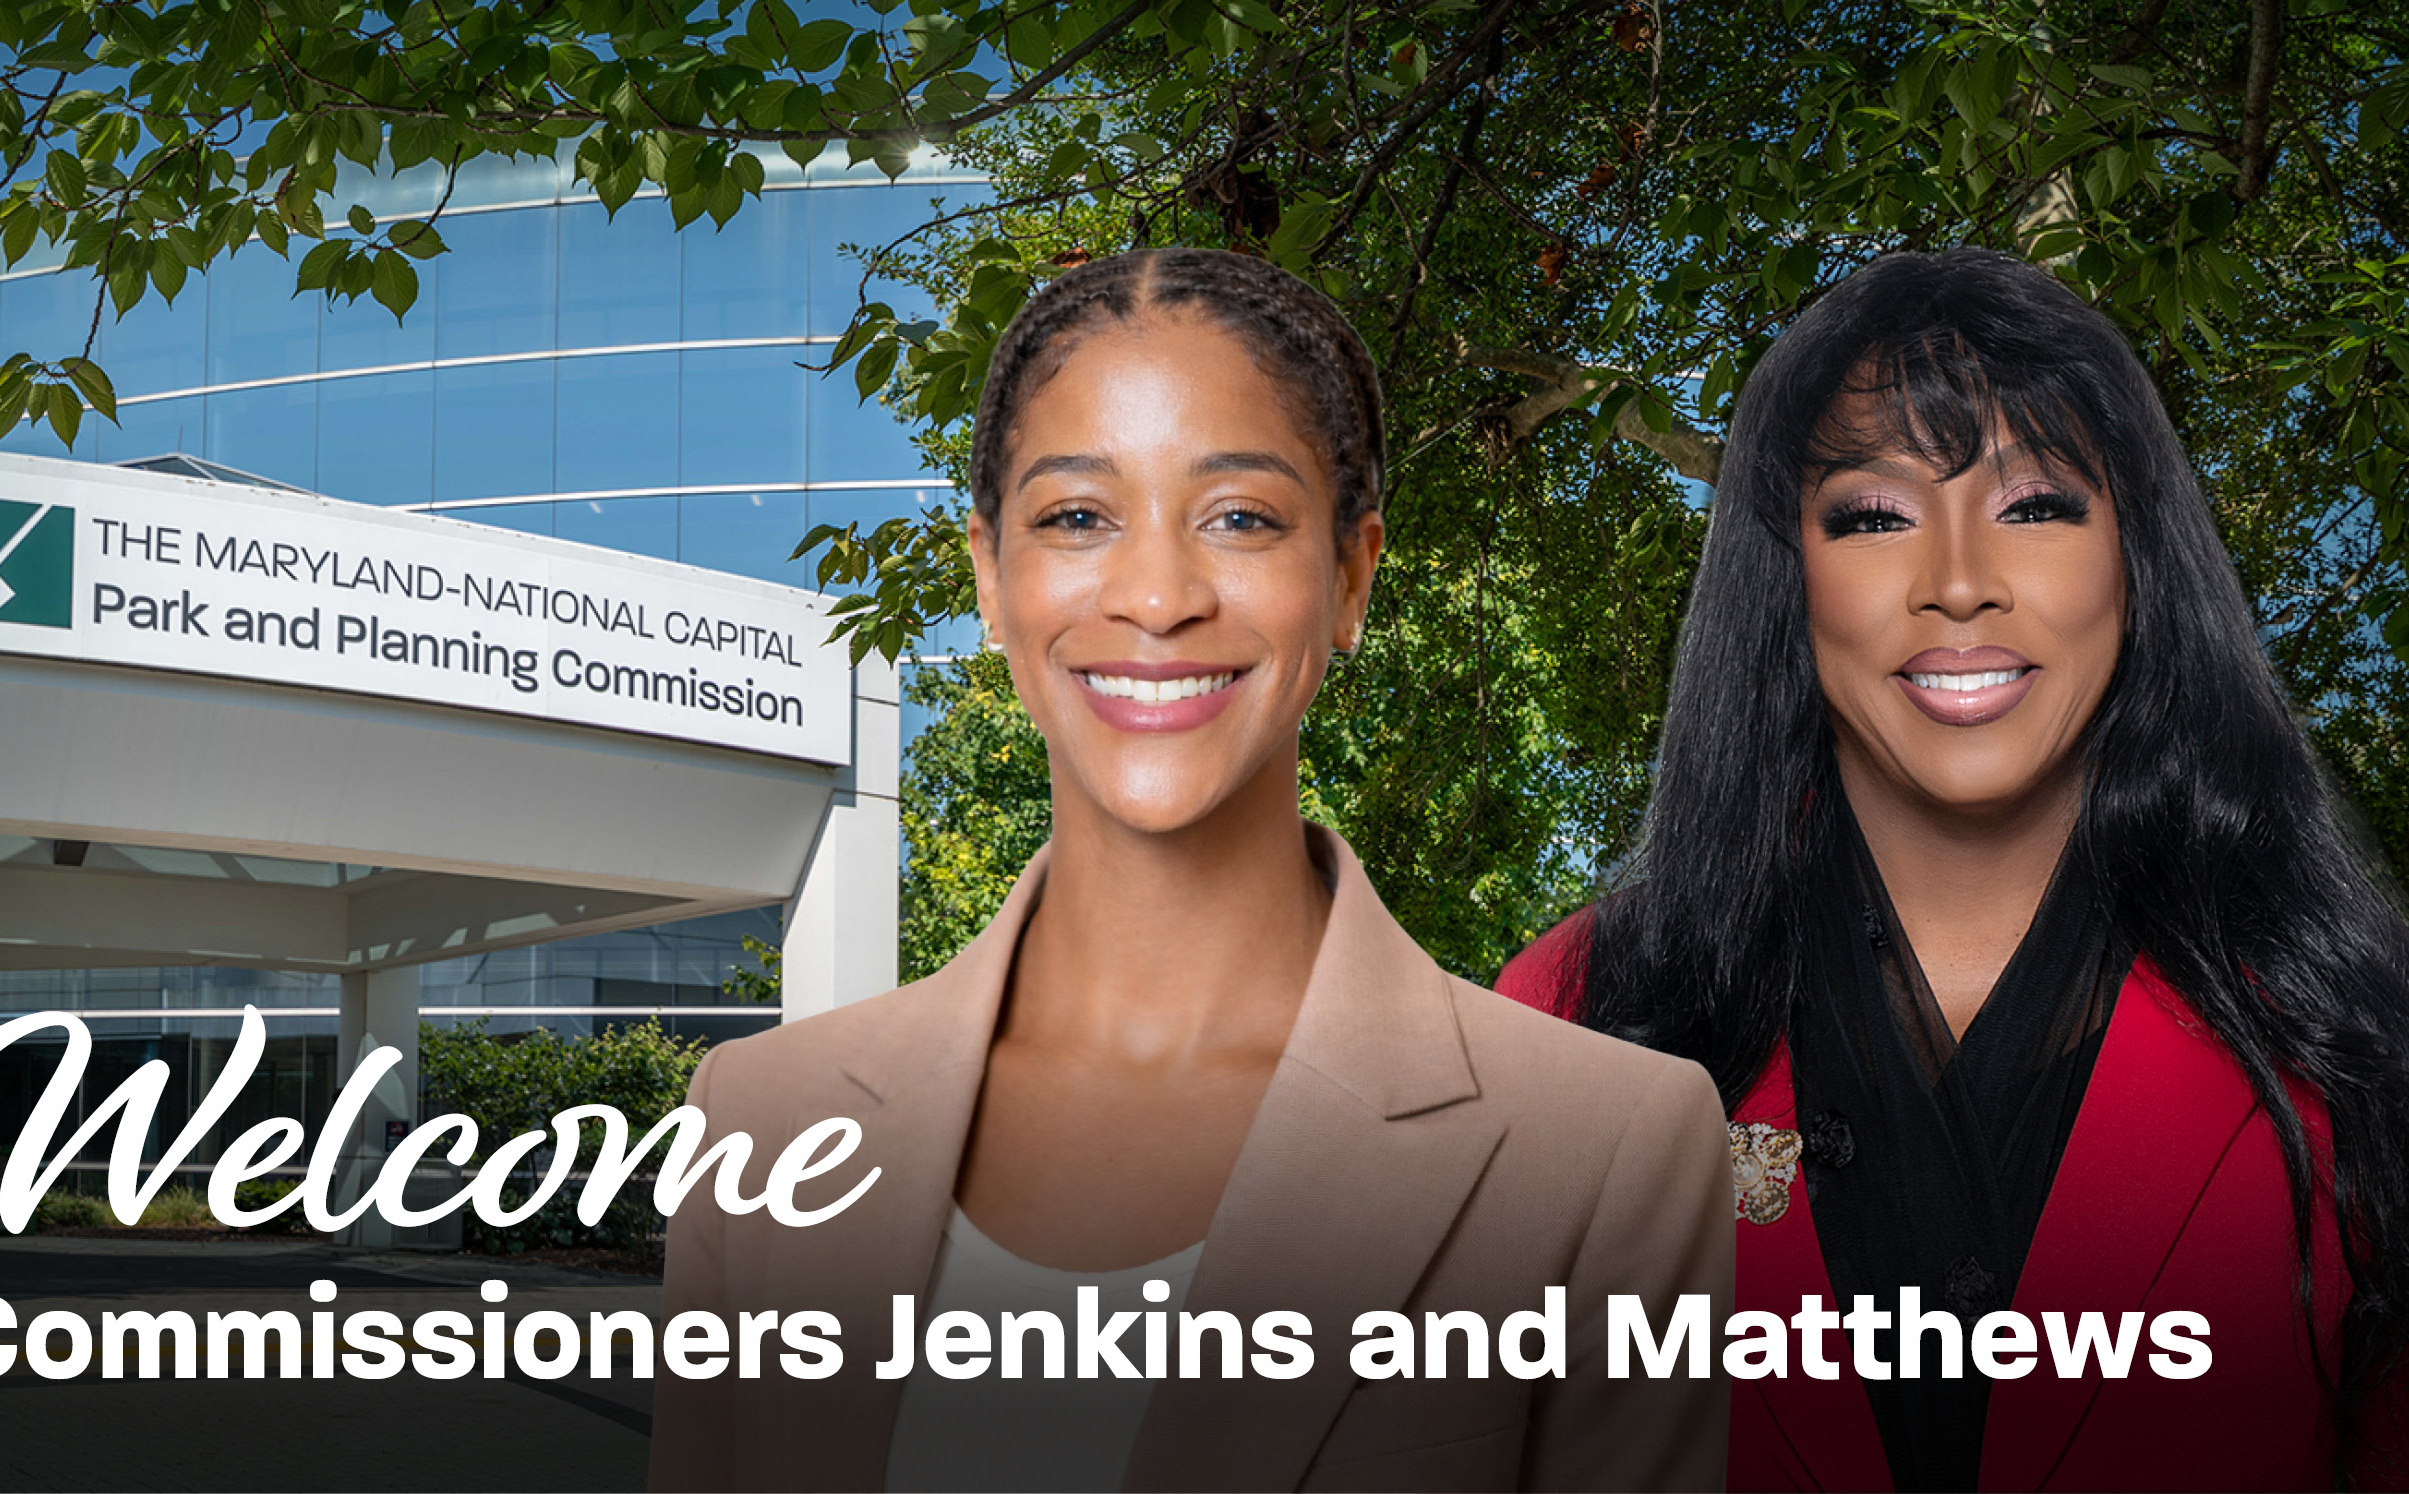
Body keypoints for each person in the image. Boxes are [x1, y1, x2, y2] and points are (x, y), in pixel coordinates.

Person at [649, 248, 1733, 1493]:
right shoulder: (763, 1120)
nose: (1157, 596)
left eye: (1239, 518)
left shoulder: (1606, 1149)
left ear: (1349, 576)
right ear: (989, 582)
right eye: (1074, 517)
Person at [1498, 246, 2409, 1490]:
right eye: (1872, 517)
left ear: (2136, 559)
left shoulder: (2346, 1030)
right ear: (1788, 578)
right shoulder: (1573, 1013)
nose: (1960, 586)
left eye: (2034, 505)